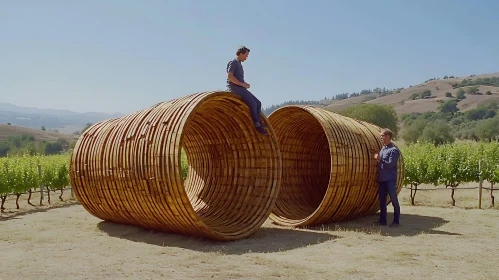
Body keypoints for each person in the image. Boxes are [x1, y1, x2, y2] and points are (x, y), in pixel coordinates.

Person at [226, 46, 268, 135]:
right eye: (246, 55)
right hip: (235, 88)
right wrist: (242, 84)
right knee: (252, 103)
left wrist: (245, 84)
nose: (246, 57)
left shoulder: (240, 64)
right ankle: (257, 125)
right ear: (241, 53)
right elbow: (230, 76)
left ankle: (259, 122)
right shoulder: (234, 62)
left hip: (241, 87)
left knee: (258, 103)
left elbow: (238, 78)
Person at [374, 128, 401, 227]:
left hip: (390, 180)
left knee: (394, 200)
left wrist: (380, 159)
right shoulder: (383, 149)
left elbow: (390, 164)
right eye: (381, 136)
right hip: (382, 179)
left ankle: (396, 221)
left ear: (388, 136)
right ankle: (382, 220)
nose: (381, 137)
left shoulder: (393, 150)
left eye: (383, 136)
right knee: (382, 201)